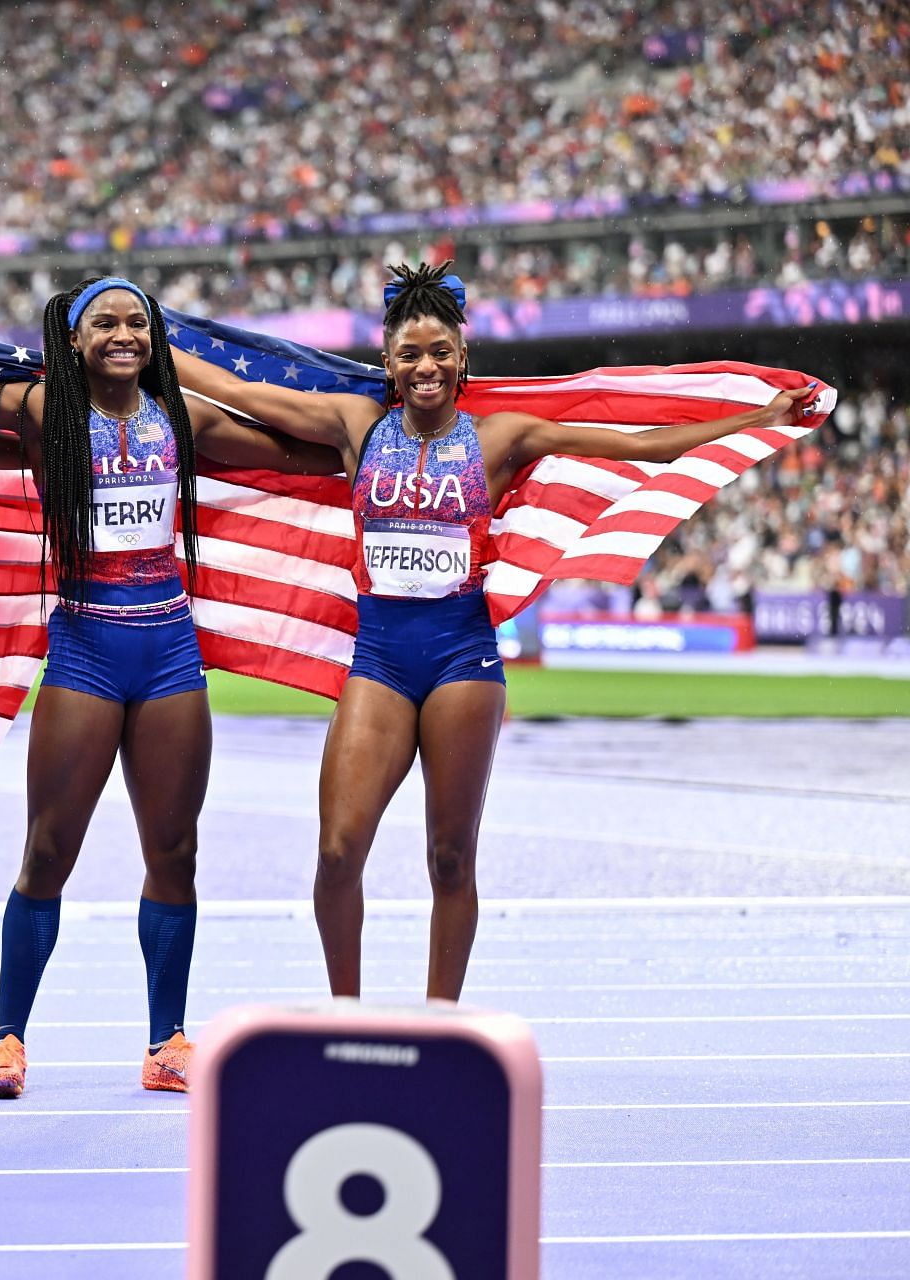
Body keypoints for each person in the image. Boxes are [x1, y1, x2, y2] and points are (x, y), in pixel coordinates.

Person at [171, 262, 818, 1002]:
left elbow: (645, 447)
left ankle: (440, 1021)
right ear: (386, 361)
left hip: (462, 661)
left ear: (462, 359)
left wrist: (759, 417)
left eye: (440, 352)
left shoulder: (502, 435)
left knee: (450, 858)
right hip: (379, 660)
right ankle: (343, 1017)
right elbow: (237, 393)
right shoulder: (356, 426)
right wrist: (151, 336)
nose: (426, 367)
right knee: (338, 850)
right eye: (410, 353)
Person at [0, 277, 339, 1097]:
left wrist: (362, 445)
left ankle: (167, 1041)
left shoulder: (178, 415)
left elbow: (278, 451)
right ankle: (8, 1040)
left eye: (137, 323)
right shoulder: (43, 408)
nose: (123, 334)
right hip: (86, 647)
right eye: (105, 323)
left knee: (175, 852)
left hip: (167, 651)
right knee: (48, 850)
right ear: (75, 335)